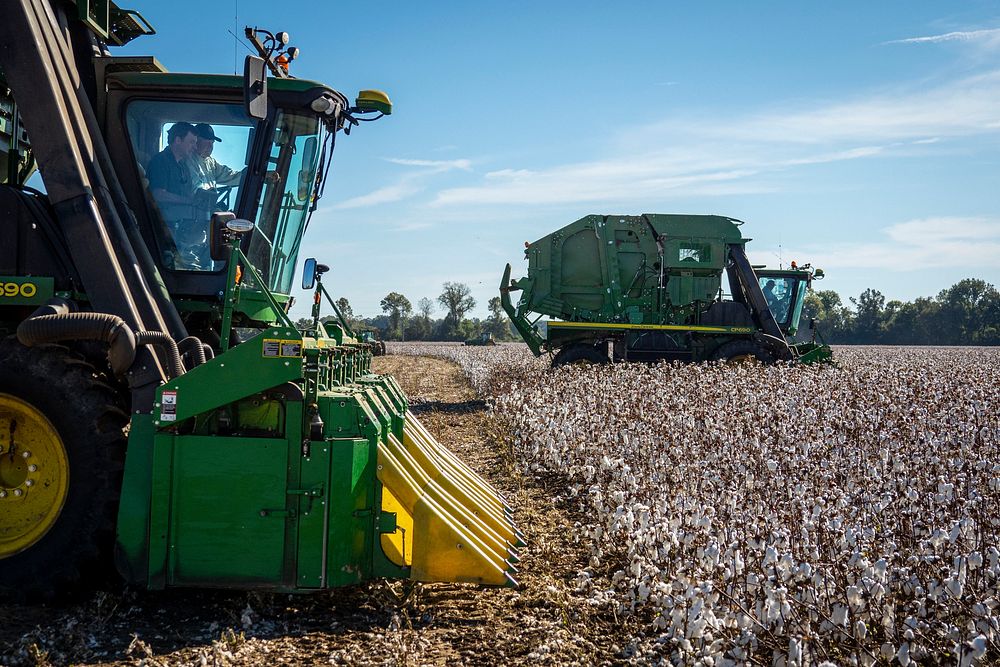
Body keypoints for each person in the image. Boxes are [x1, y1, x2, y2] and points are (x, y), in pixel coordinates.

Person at [146, 122, 211, 270]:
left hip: (183, 225)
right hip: (165, 224)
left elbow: (188, 193)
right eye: (191, 142)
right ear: (177, 140)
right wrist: (189, 201)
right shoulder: (160, 161)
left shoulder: (183, 166)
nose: (195, 147)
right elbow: (158, 195)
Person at [189, 123, 244, 192]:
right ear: (196, 141)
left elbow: (232, 177)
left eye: (212, 143)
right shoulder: (187, 161)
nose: (210, 146)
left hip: (209, 201)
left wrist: (250, 172)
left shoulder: (211, 163)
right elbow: (196, 191)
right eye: (207, 142)